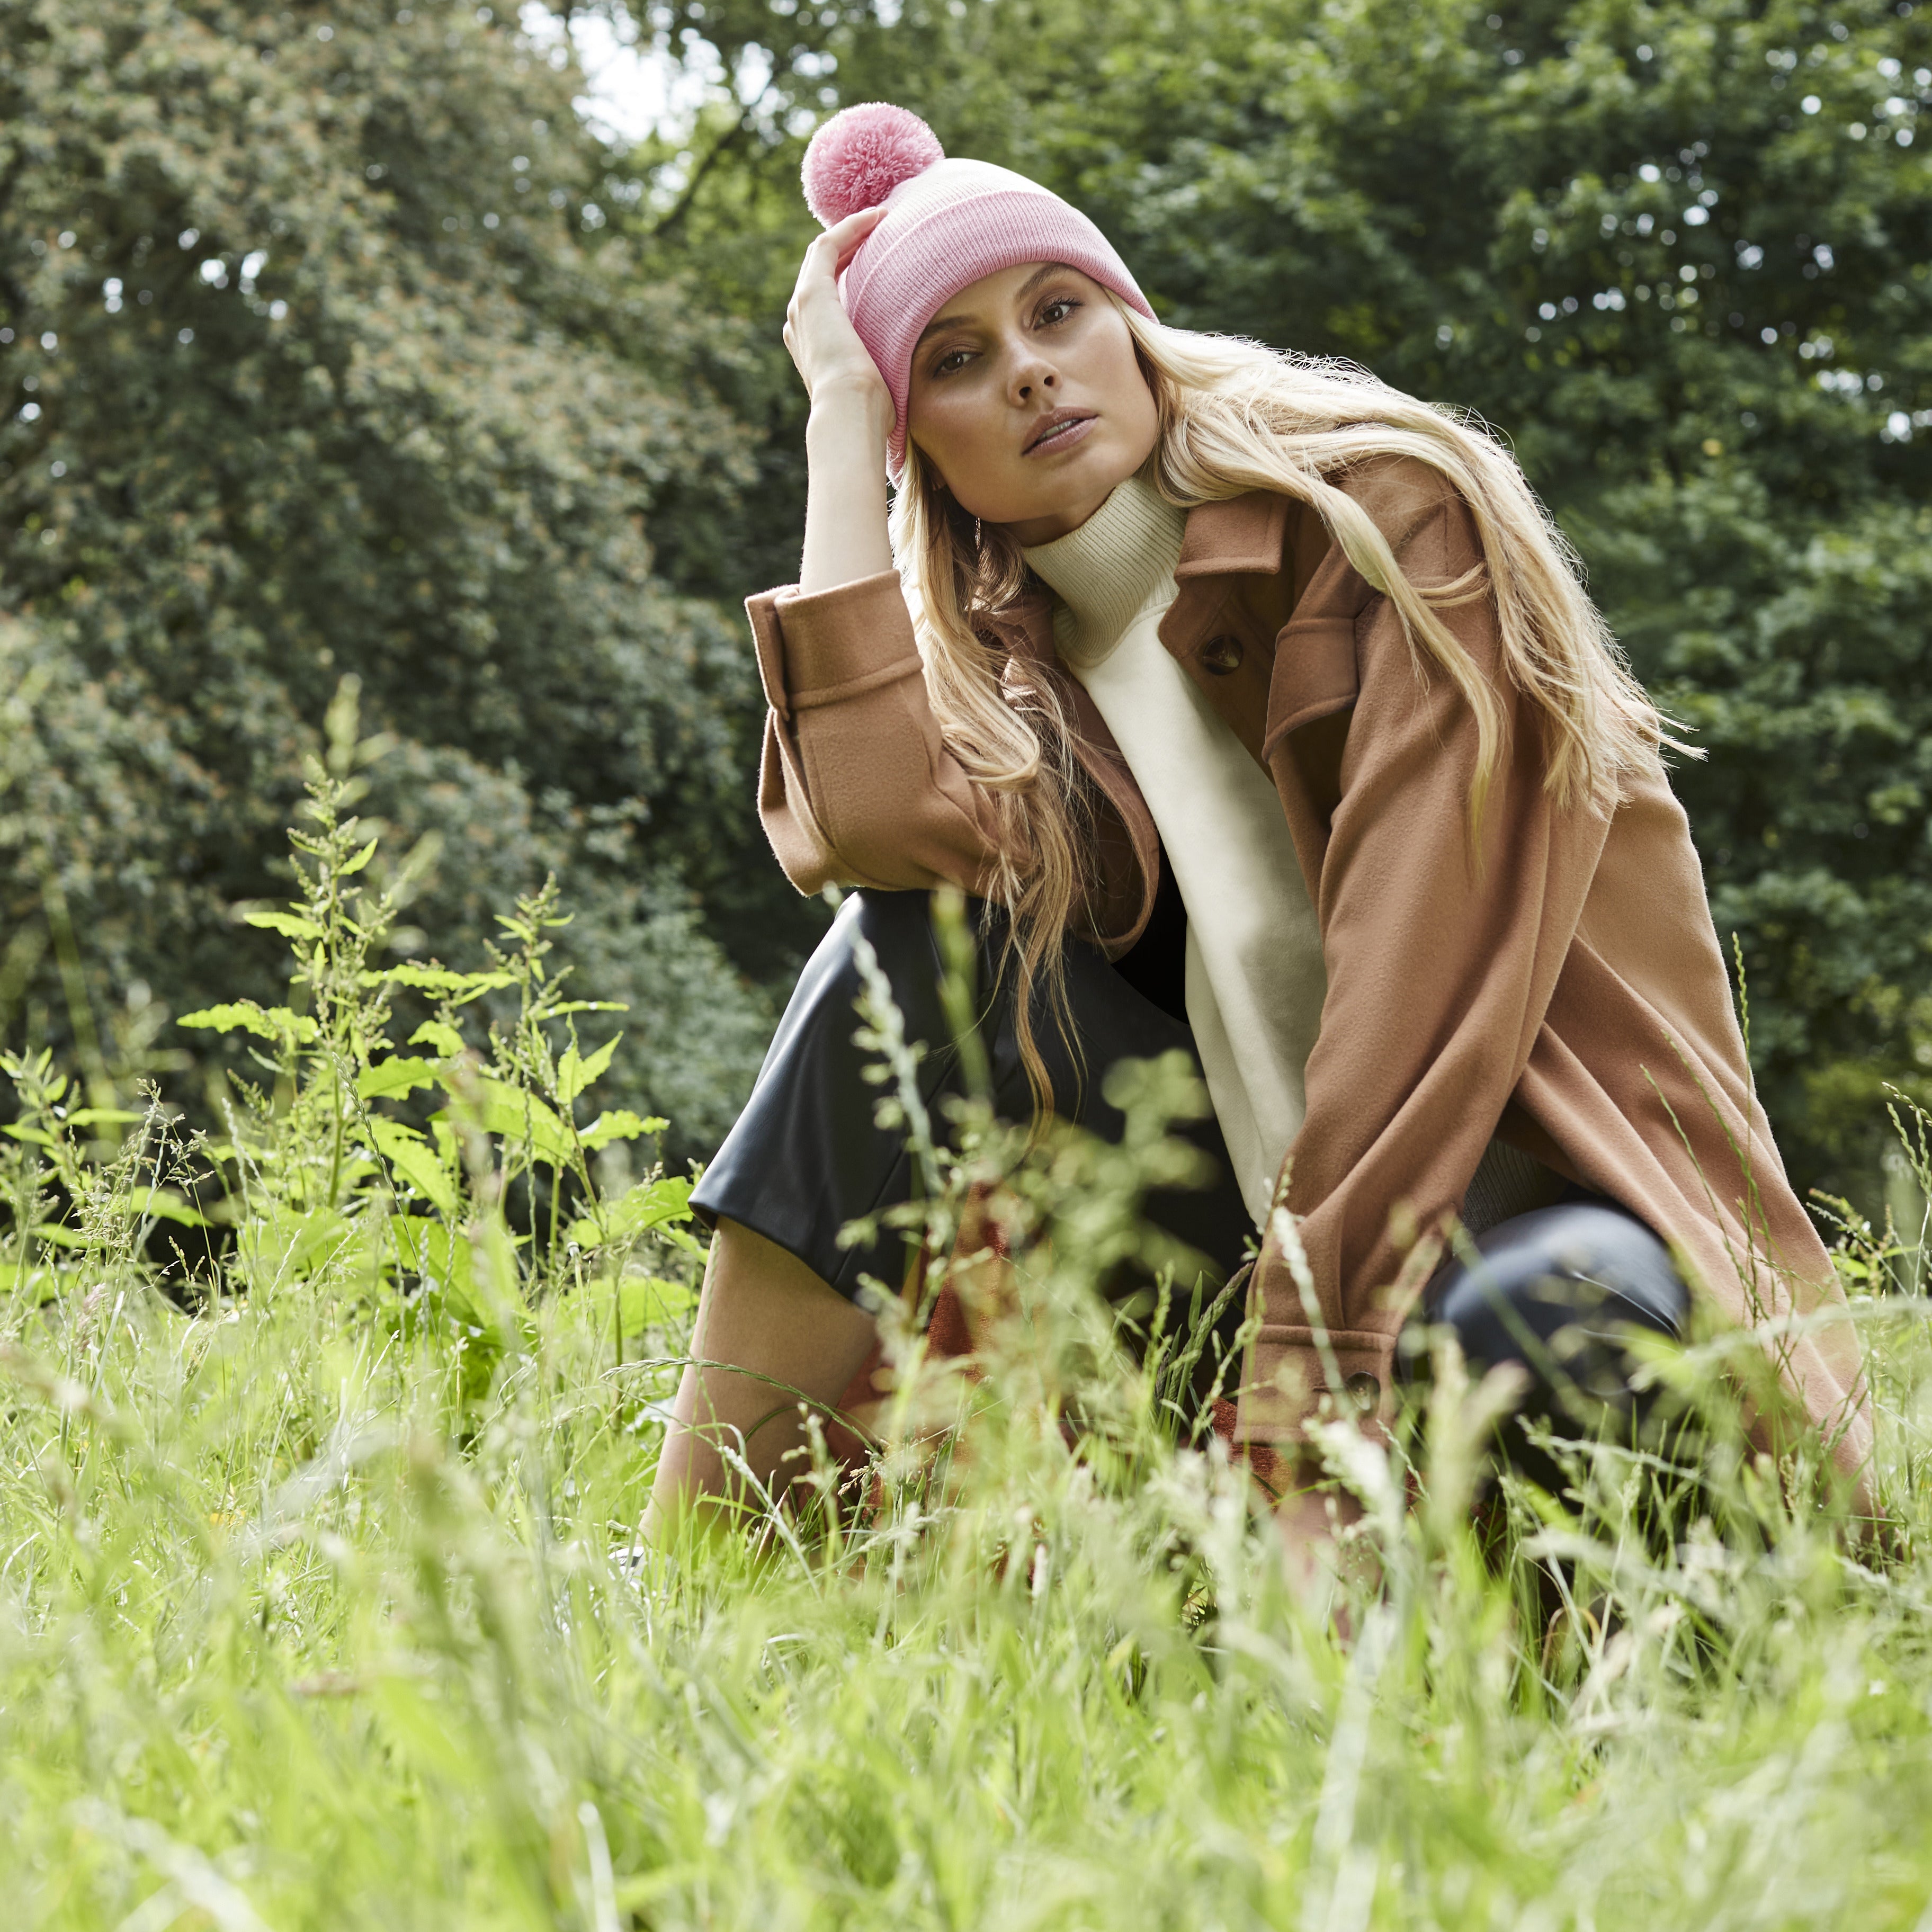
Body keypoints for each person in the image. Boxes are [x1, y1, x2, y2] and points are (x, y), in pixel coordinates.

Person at [643, 102, 1872, 1547]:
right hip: (1254, 1261)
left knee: (1551, 1305)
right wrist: (841, 416)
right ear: (935, 451)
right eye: (958, 363)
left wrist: (1308, 1425)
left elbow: (1425, 1011)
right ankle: (695, 1576)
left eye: (1059, 311)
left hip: (1534, 1217)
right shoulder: (1024, 657)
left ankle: (1579, 1670)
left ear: (1132, 325)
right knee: (900, 958)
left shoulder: (1386, 518)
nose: (1032, 370)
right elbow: (858, 829)